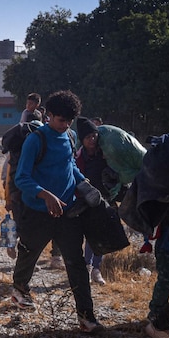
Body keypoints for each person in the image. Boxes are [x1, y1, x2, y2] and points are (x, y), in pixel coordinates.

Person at [10, 90, 104, 333]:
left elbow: (70, 165)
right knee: (28, 255)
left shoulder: (71, 136)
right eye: (62, 120)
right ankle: (19, 288)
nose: (66, 125)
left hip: (67, 213)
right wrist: (44, 194)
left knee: (76, 265)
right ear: (49, 116)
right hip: (37, 212)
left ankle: (87, 318)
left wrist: (84, 184)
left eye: (70, 120)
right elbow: (21, 178)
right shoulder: (36, 140)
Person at [74, 117, 109, 285]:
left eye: (94, 136)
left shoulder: (104, 155)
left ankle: (96, 269)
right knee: (89, 236)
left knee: (101, 235)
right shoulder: (79, 158)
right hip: (85, 202)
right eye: (88, 137)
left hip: (104, 200)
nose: (92, 140)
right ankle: (87, 267)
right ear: (82, 140)